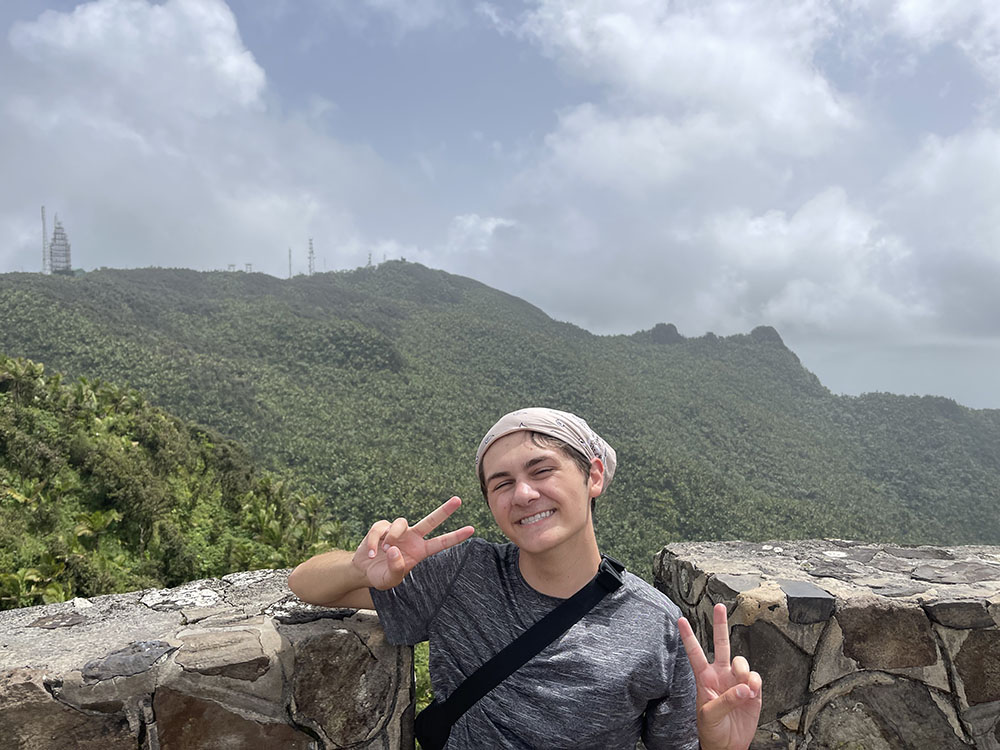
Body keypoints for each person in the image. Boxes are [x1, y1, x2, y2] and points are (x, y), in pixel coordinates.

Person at [288, 407, 761, 749]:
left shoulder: (658, 625)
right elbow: (305, 585)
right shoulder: (462, 573)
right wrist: (360, 566)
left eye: (542, 471)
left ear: (593, 476)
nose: (524, 494)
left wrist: (721, 747)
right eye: (502, 483)